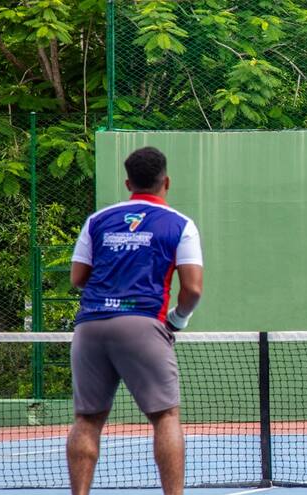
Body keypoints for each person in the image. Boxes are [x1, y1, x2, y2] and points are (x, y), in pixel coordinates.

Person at [67, 147, 203, 495]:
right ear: (166, 181)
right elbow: (192, 289)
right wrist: (178, 320)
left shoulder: (97, 220)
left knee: (87, 419)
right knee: (165, 417)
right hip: (144, 324)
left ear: (128, 182)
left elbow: (78, 277)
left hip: (90, 325)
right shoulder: (180, 224)